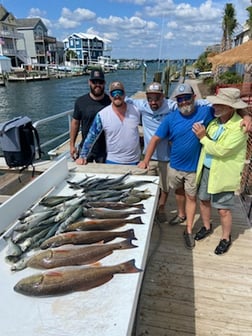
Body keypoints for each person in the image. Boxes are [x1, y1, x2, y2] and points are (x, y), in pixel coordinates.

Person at [138, 83, 215, 249]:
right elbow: (155, 139)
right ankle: (181, 215)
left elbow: (227, 109)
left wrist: (246, 116)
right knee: (178, 191)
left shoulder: (205, 112)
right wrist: (145, 160)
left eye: (187, 98)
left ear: (194, 97)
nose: (184, 102)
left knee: (191, 197)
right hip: (174, 166)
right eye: (180, 99)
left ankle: (188, 230)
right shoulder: (170, 119)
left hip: (194, 168)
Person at [192, 88, 248, 255]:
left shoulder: (240, 127)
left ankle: (225, 237)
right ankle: (207, 226)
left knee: (223, 209)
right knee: (203, 200)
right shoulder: (215, 122)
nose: (215, 106)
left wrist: (202, 137)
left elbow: (221, 150)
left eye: (220, 104)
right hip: (207, 169)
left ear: (231, 107)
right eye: (215, 103)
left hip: (223, 173)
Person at [76, 81, 141, 165]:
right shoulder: (102, 115)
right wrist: (82, 156)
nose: (117, 96)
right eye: (114, 93)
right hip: (112, 161)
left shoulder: (136, 110)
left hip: (135, 161)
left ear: (124, 94)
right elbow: (91, 136)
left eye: (119, 92)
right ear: (110, 96)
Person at [70, 69, 111, 162]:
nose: (97, 85)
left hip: (105, 150)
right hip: (86, 148)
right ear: (89, 82)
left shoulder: (110, 102)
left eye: (100, 82)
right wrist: (72, 145)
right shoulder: (80, 102)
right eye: (94, 82)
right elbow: (75, 123)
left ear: (104, 83)